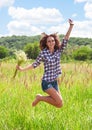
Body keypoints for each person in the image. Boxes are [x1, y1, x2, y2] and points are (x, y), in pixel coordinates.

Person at [16, 19, 74, 108]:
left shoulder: (58, 50)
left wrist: (71, 26)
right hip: (46, 82)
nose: (51, 42)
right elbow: (34, 64)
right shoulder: (43, 53)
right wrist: (22, 69)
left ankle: (40, 98)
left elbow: (66, 39)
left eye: (52, 41)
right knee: (59, 100)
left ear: (55, 42)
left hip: (54, 81)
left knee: (59, 104)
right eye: (49, 41)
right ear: (46, 43)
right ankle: (40, 98)